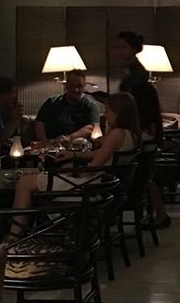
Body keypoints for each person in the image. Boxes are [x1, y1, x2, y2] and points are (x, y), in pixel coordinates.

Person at [8, 92, 141, 224]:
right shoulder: (132, 135)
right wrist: (73, 155)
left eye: (107, 111)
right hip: (102, 188)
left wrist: (75, 174)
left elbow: (92, 169)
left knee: (24, 182)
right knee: (47, 176)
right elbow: (100, 154)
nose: (105, 115)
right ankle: (39, 227)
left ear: (117, 113)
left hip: (89, 190)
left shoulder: (116, 134)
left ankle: (16, 233)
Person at [113, 30, 170, 227]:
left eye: (123, 47)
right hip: (142, 130)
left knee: (144, 174)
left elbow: (140, 108)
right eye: (117, 47)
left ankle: (151, 215)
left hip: (143, 131)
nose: (119, 51)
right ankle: (156, 214)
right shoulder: (131, 73)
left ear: (134, 49)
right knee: (146, 175)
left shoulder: (136, 77)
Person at [34, 70, 101, 142]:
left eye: (79, 86)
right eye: (72, 86)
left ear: (84, 86)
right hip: (51, 144)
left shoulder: (90, 104)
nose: (76, 90)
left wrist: (67, 138)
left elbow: (91, 128)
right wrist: (45, 143)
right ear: (66, 85)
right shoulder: (52, 102)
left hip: (78, 145)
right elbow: (39, 123)